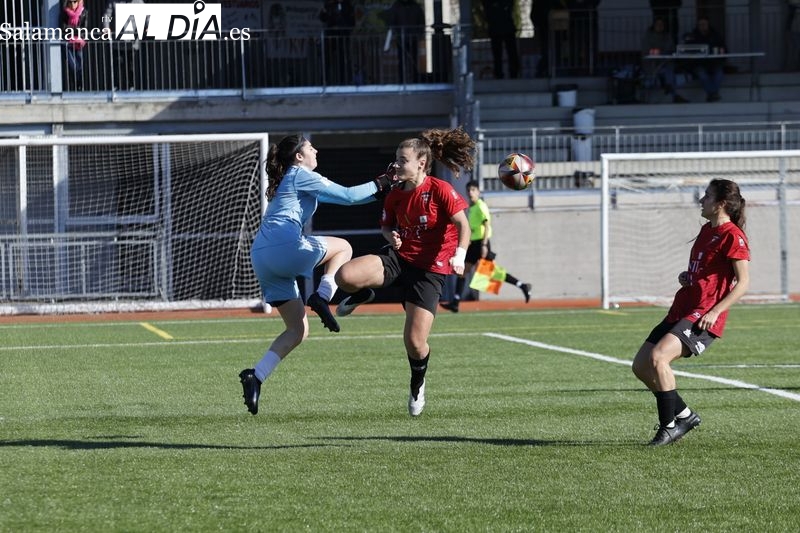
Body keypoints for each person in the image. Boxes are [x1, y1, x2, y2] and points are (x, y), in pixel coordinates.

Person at [238, 134, 396, 415]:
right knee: (344, 248)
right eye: (311, 147)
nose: (316, 150)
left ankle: (256, 375)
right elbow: (348, 195)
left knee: (298, 330)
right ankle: (323, 296)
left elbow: (350, 199)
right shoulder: (300, 174)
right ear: (299, 156)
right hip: (284, 247)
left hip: (262, 256)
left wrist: (381, 187)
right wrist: (384, 181)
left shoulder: (296, 179)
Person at [333, 127, 476, 417]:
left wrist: (459, 256)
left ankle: (417, 382)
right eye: (396, 159)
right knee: (344, 276)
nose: (396, 165)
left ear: (421, 163)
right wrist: (391, 238)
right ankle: (363, 294)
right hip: (400, 258)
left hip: (429, 271)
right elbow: (387, 227)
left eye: (402, 160)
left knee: (414, 343)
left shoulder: (440, 189)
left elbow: (464, 226)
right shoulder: (395, 195)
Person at [631, 178, 750, 446]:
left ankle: (669, 426)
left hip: (704, 313)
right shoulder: (707, 230)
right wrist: (689, 276)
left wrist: (716, 311)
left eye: (706, 196)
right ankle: (684, 415)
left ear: (720, 204)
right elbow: (706, 273)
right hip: (682, 307)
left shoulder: (734, 236)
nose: (701, 200)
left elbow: (743, 283)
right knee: (640, 366)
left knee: (659, 358)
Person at [440, 180, 531, 312]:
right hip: (474, 244)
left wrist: (484, 245)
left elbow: (487, 225)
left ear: (478, 191)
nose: (470, 193)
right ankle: (455, 302)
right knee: (462, 271)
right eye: (468, 190)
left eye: (473, 190)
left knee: (492, 272)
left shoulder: (481, 206)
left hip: (482, 243)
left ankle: (522, 286)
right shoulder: (471, 208)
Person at [641, 17, 688, 103]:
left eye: (661, 25)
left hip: (665, 63)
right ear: (654, 25)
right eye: (658, 24)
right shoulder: (648, 37)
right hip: (652, 65)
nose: (660, 26)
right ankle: (673, 93)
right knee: (668, 72)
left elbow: (671, 48)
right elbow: (646, 51)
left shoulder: (667, 36)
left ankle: (670, 88)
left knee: (669, 70)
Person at [683, 16, 726, 102]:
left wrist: (720, 54)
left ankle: (711, 94)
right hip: (698, 64)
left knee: (719, 74)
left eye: (704, 24)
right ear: (697, 26)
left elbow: (724, 49)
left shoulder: (716, 36)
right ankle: (713, 94)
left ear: (708, 25)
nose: (702, 26)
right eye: (700, 24)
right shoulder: (693, 37)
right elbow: (687, 50)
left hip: (714, 63)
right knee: (702, 75)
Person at [382, 0, 426, 84]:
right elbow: (392, 21)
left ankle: (414, 80)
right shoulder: (397, 6)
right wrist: (396, 33)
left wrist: (419, 34)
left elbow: (421, 21)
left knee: (413, 60)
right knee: (402, 60)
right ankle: (402, 80)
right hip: (401, 38)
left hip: (412, 37)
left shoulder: (415, 6)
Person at [104, 0, 143, 91]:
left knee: (131, 66)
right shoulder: (113, 2)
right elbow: (106, 16)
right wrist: (106, 28)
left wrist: (147, 25)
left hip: (132, 43)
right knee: (117, 65)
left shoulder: (138, 2)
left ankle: (131, 87)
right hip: (118, 42)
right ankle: (115, 87)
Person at [319, 0, 356, 85]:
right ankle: (324, 81)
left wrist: (345, 28)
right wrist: (324, 10)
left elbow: (352, 21)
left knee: (342, 59)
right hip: (330, 36)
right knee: (327, 59)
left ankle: (342, 81)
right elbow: (322, 18)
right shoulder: (329, 5)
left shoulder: (348, 5)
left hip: (342, 36)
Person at [482, 0, 519, 79]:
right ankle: (500, 73)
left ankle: (513, 72)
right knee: (498, 53)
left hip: (505, 26)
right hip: (496, 27)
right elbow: (487, 8)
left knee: (511, 51)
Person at [60, 0, 88, 91]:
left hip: (79, 43)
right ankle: (75, 86)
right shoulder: (64, 13)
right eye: (70, 2)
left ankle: (79, 86)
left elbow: (84, 29)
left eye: (75, 2)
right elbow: (63, 28)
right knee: (72, 66)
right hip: (68, 43)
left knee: (79, 66)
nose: (72, 4)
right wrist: (76, 30)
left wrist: (72, 30)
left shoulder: (84, 12)